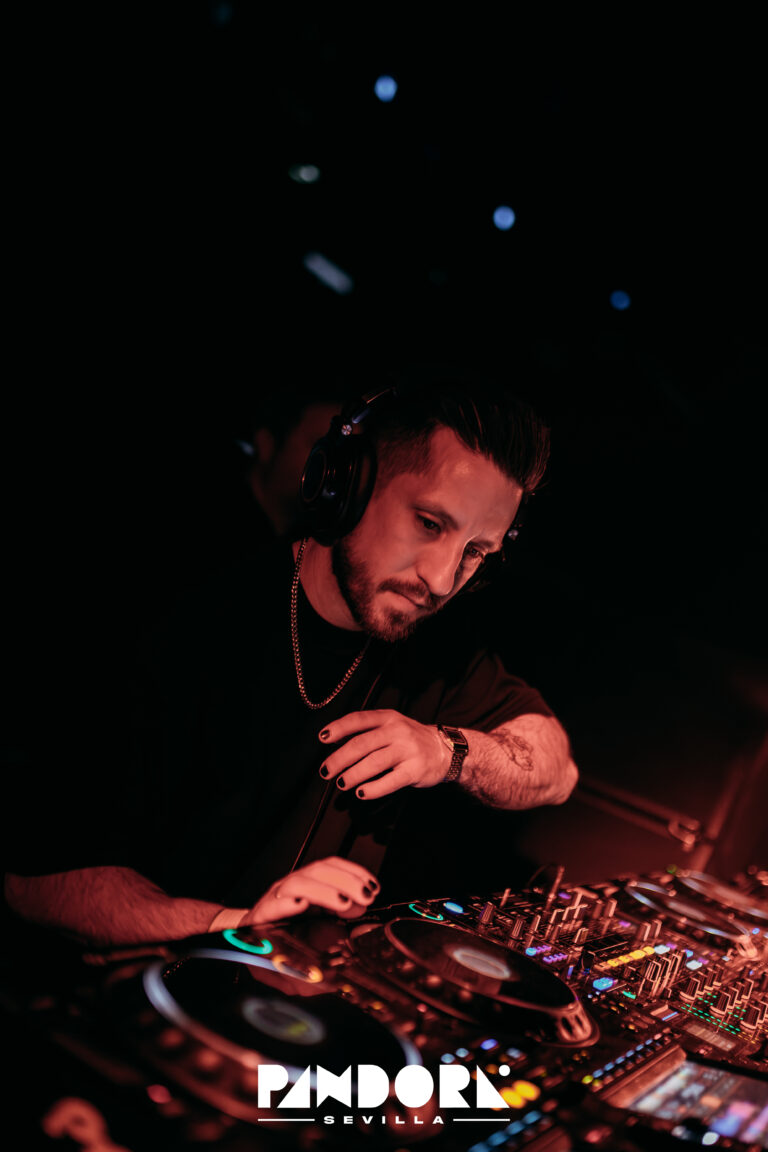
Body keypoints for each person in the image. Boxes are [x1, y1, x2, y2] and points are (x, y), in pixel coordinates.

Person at [3, 380, 577, 948]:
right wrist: (236, 926)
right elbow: (36, 884)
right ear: (348, 486)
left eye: (476, 552)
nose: (443, 579)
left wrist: (448, 752)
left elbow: (556, 769)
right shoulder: (182, 619)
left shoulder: (441, 649)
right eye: (429, 523)